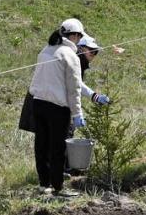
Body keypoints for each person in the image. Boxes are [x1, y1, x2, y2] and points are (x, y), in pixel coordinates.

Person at [27, 18, 87, 198]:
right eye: (79, 37)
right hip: (58, 108)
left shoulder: (46, 50)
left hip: (37, 103)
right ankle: (58, 187)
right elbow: (74, 88)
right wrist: (77, 113)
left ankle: (43, 184)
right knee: (57, 147)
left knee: (41, 144)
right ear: (74, 36)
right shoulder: (70, 56)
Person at [76, 34, 111, 106]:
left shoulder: (81, 62)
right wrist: (96, 97)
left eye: (96, 51)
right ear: (80, 48)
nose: (94, 54)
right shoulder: (75, 61)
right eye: (91, 50)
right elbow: (75, 83)